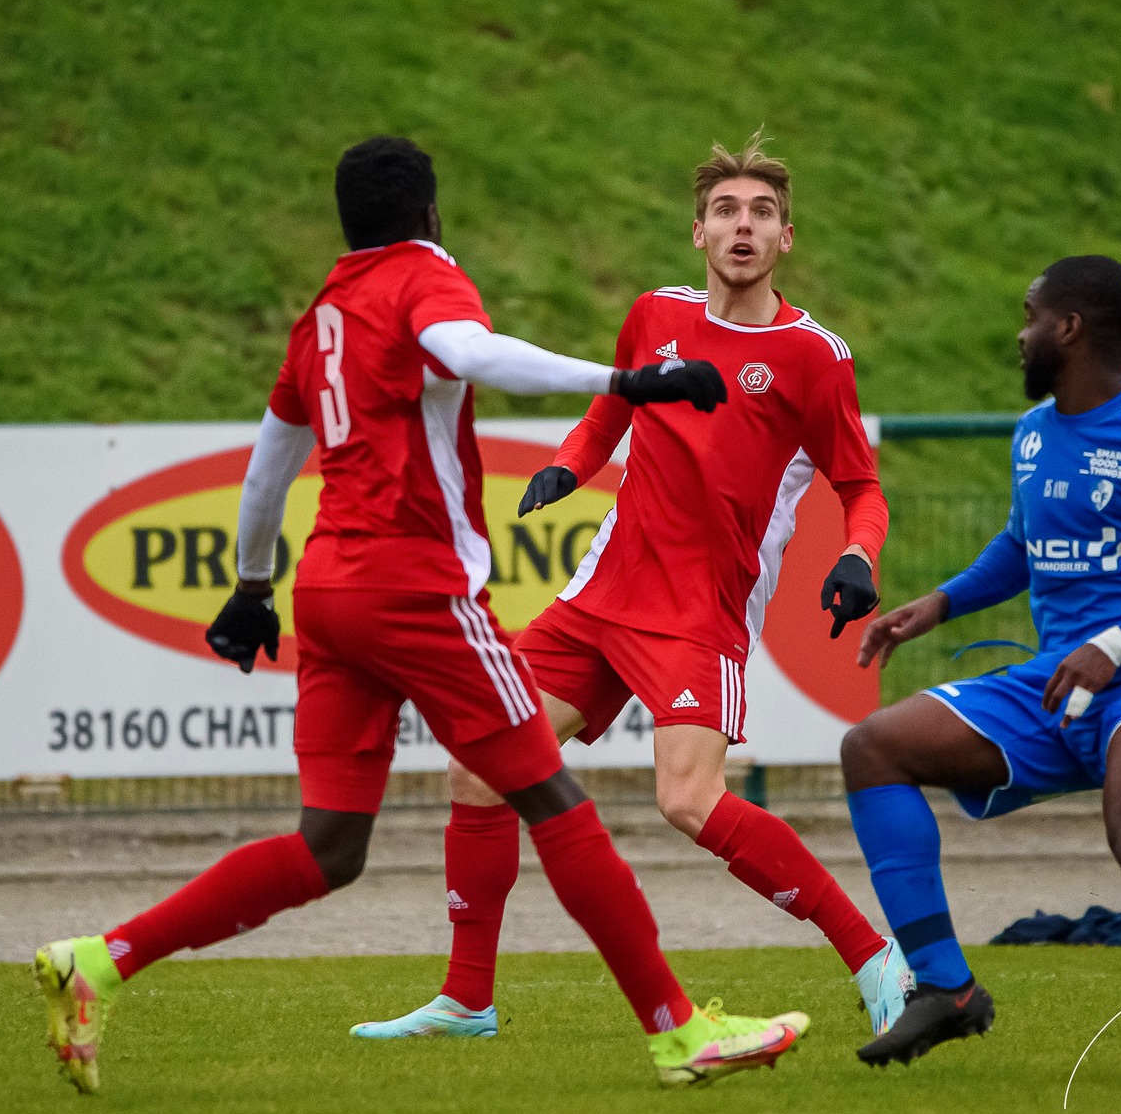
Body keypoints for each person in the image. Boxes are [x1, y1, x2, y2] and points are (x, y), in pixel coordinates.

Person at [32, 136, 810, 1093]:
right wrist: (624, 381)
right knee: (553, 800)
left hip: (326, 594)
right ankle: (679, 1031)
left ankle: (99, 960)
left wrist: (250, 585)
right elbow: (467, 351)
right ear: (431, 214)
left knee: (328, 846)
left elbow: (271, 462)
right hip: (416, 590)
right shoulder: (426, 281)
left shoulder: (321, 318)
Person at [351, 135, 908, 1042]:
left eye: (761, 213)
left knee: (687, 798)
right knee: (479, 765)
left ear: (785, 238)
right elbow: (611, 412)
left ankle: (874, 955)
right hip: (602, 593)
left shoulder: (813, 354)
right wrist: (570, 467)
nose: (742, 225)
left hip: (701, 608)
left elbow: (862, 485)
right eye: (725, 210)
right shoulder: (654, 314)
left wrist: (858, 556)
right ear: (698, 232)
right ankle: (467, 999)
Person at [839, 256, 1121, 1080]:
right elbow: (1024, 546)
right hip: (1058, 680)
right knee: (873, 746)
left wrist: (1117, 643)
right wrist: (940, 603)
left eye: (1030, 316)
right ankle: (945, 987)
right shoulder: (1033, 432)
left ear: (1070, 327)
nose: (1020, 335)